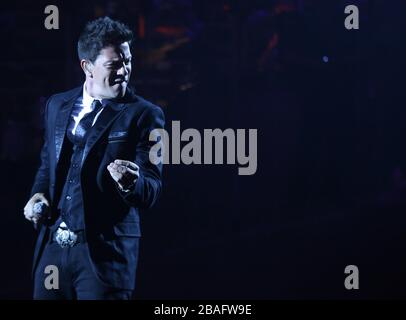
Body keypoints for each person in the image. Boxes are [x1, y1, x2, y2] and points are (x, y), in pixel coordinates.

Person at [23, 16, 165, 300]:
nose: (125, 71)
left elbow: (151, 190)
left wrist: (130, 183)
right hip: (53, 250)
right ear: (87, 67)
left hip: (104, 258)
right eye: (115, 64)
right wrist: (37, 195)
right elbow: (47, 166)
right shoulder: (57, 105)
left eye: (128, 61)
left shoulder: (146, 115)